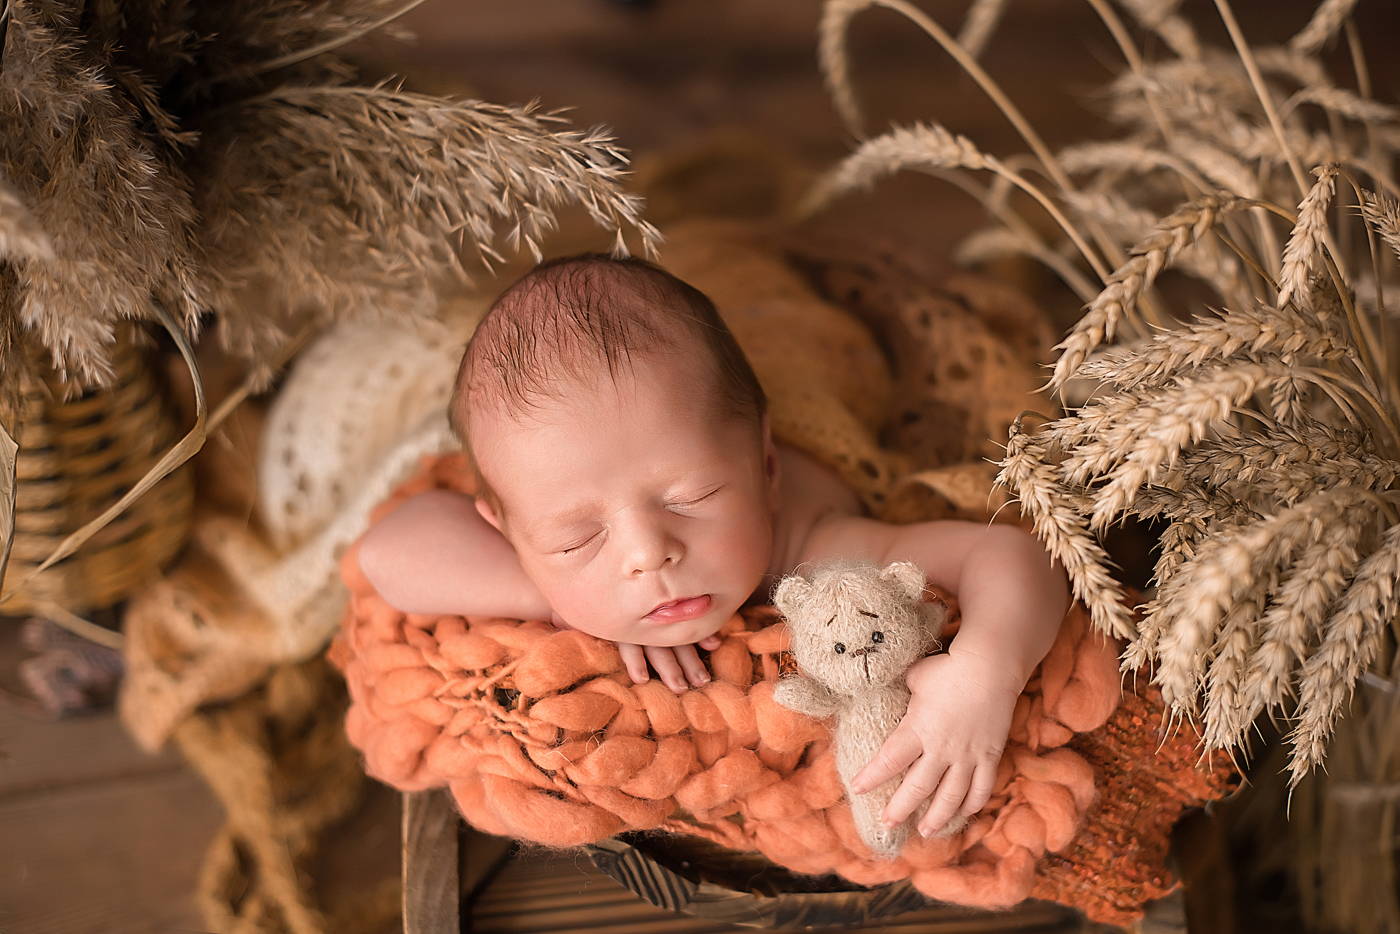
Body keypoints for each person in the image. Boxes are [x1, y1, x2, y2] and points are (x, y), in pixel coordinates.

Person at [358, 254, 1069, 840]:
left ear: (765, 467)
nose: (647, 554)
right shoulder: (552, 497)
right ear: (505, 529)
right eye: (578, 537)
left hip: (791, 329)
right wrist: (550, 590)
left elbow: (1012, 558)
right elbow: (386, 554)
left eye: (689, 498)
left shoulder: (820, 547)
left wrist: (984, 675)